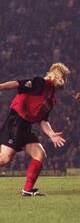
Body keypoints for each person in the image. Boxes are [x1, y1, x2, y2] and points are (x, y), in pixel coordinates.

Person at [0, 63, 69, 196]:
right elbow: (17, 83)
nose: (65, 81)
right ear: (58, 75)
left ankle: (27, 189)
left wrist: (51, 134)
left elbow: (43, 121)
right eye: (64, 77)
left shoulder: (52, 98)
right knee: (4, 159)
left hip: (26, 125)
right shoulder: (41, 83)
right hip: (16, 121)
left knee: (40, 154)